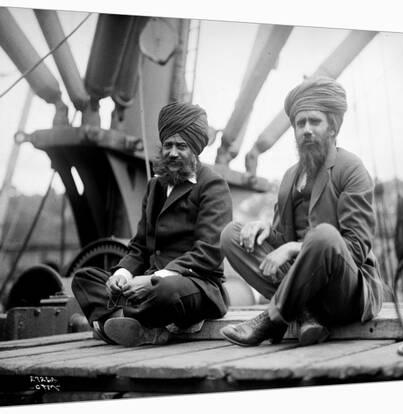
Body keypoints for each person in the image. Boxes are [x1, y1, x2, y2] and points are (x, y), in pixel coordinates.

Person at [220, 77, 385, 347]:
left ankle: (272, 320)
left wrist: (295, 248)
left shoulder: (351, 168)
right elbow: (281, 240)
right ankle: (306, 313)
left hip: (344, 289)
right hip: (304, 283)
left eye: (315, 121)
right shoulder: (288, 178)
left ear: (332, 127)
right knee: (231, 234)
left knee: (324, 235)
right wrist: (264, 229)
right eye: (300, 123)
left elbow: (355, 249)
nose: (306, 130)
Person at [72, 102, 233, 347]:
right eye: (168, 145)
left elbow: (208, 253)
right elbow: (139, 247)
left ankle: (113, 322)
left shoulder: (213, 185)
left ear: (196, 148)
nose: (173, 153)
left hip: (194, 285)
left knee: (164, 291)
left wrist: (153, 280)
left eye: (181, 146)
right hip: (148, 281)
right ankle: (136, 326)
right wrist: (122, 275)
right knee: (85, 278)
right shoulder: (155, 186)